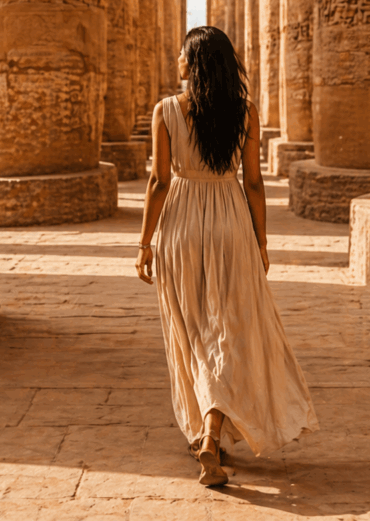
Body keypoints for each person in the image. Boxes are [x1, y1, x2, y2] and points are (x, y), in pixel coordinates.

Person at [135, 26, 319, 487]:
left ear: (192, 63)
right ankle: (213, 429)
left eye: (182, 53)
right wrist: (260, 240)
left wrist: (144, 242)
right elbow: (253, 182)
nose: (177, 58)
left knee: (192, 330)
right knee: (228, 329)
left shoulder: (165, 111)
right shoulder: (246, 112)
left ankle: (208, 432)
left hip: (180, 223)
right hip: (230, 220)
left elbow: (158, 182)